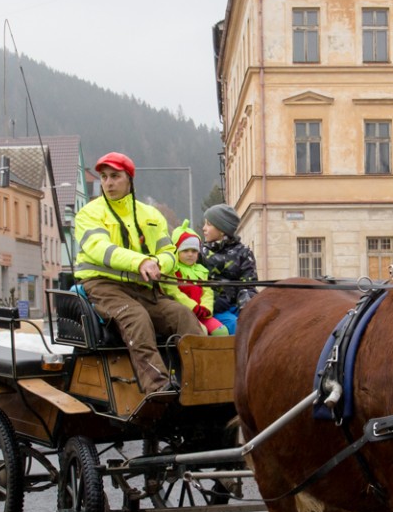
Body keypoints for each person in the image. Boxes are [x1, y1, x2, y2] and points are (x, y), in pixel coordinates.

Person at [72, 151, 204, 395]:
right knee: (137, 318)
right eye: (104, 177)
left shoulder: (151, 215)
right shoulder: (89, 213)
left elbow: (168, 252)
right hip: (103, 286)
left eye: (115, 176)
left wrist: (157, 263)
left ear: (129, 179)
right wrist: (141, 261)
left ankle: (202, 382)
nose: (108, 183)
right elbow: (101, 250)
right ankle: (158, 388)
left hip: (144, 287)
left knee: (183, 315)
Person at [200, 203, 258, 335]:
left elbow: (248, 286)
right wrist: (213, 301)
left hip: (236, 307)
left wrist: (246, 311)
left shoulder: (243, 253)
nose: (204, 228)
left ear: (222, 229)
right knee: (235, 327)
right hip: (211, 308)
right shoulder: (201, 253)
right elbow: (195, 282)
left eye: (209, 224)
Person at [163, 224, 228, 337]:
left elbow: (207, 292)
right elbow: (174, 293)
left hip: (202, 314)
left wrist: (206, 308)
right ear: (176, 251)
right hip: (185, 315)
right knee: (201, 331)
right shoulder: (173, 271)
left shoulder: (201, 271)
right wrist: (193, 307)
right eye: (185, 250)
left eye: (194, 251)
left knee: (222, 331)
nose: (190, 254)